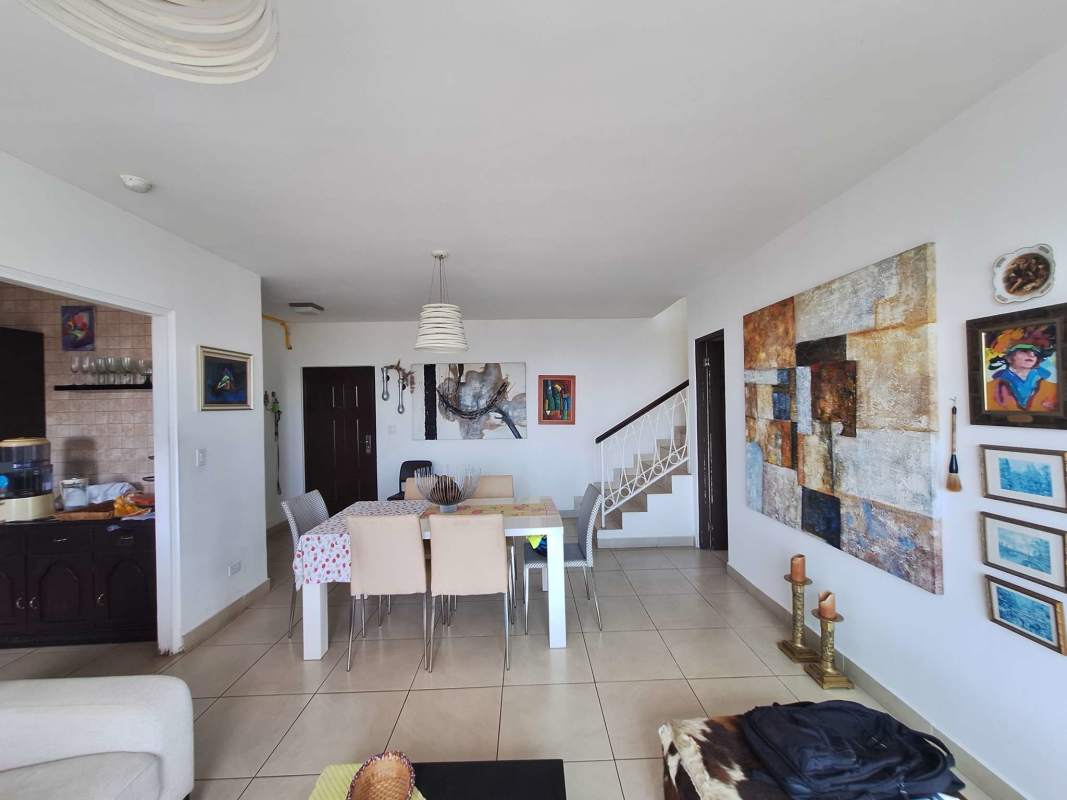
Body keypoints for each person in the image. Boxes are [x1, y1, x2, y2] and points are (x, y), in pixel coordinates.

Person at [986, 327, 1057, 412]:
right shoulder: (991, 387)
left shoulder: (1050, 387)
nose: (1031, 355)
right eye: (1024, 350)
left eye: (1035, 352)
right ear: (1008, 357)